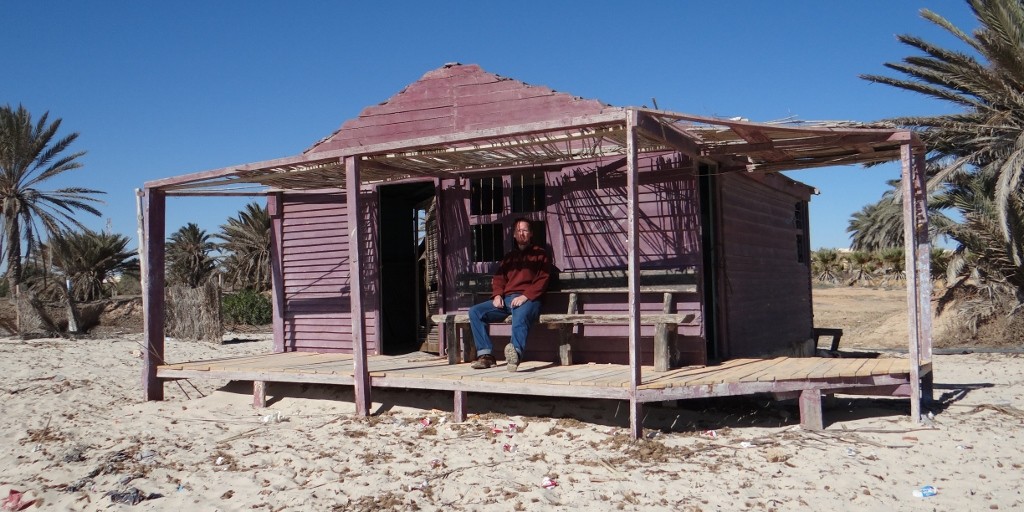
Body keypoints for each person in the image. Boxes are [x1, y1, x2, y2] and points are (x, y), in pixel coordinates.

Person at [468, 218, 551, 372]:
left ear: (531, 233)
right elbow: (499, 279)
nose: (522, 233)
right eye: (518, 231)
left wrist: (524, 297)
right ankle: (486, 356)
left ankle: (515, 354)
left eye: (525, 230)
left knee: (519, 316)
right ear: (514, 234)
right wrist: (498, 295)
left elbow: (542, 280)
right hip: (507, 300)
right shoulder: (509, 257)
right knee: (475, 312)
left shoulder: (540, 254)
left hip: (529, 300)